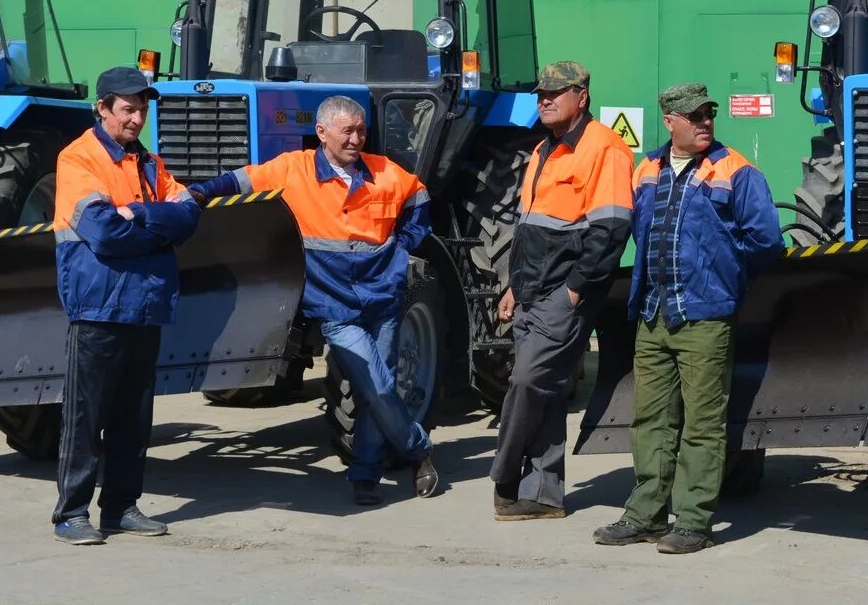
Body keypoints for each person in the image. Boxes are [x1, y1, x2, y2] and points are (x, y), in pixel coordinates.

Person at [188, 95, 439, 505]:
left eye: (361, 130)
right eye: (348, 131)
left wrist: (402, 248)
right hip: (336, 306)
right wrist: (198, 195)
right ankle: (418, 450)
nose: (357, 138)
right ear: (321, 133)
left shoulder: (385, 172)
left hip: (383, 298)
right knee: (375, 385)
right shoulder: (293, 169)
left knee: (381, 384)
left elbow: (419, 200)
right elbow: (241, 181)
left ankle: (365, 473)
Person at [592, 82, 782, 554]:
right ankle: (646, 515)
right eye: (693, 116)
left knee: (702, 423)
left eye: (708, 115)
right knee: (650, 420)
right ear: (670, 121)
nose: (704, 123)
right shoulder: (647, 169)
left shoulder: (737, 171)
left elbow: (766, 242)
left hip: (705, 317)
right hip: (654, 315)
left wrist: (725, 275)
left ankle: (694, 522)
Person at [51, 67, 201, 546]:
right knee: (85, 415)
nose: (136, 118)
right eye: (127, 109)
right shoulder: (79, 159)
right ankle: (71, 514)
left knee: (133, 417)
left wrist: (139, 213)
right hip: (99, 306)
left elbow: (188, 215)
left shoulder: (150, 164)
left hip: (144, 303)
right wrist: (159, 230)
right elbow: (103, 235)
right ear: (103, 108)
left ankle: (120, 506)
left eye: (142, 109)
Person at [491, 61, 634, 521]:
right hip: (530, 291)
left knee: (526, 380)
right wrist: (514, 286)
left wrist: (574, 292)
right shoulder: (542, 151)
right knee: (547, 391)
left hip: (564, 295)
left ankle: (506, 475)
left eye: (555, 92)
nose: (545, 99)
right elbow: (531, 228)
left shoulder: (604, 149)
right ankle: (543, 495)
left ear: (582, 97)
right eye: (541, 94)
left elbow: (611, 231)